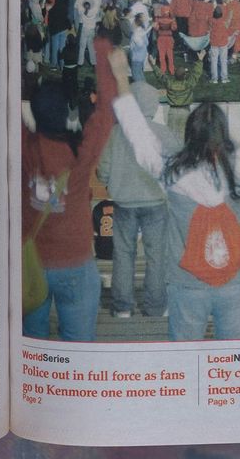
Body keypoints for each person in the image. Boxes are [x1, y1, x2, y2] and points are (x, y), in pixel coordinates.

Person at [107, 39, 240, 341]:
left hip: (187, 282)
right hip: (235, 280)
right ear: (223, 134)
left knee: (184, 359)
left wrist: (121, 77)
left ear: (190, 133)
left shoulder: (173, 173)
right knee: (234, 359)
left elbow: (138, 133)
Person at [22, 37, 115, 341]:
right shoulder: (80, 157)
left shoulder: (23, 148)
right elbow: (104, 114)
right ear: (68, 114)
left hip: (31, 262)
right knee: (78, 345)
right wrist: (102, 52)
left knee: (31, 341)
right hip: (75, 263)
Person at [97, 80, 178, 318]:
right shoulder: (163, 134)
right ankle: (155, 306)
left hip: (123, 203)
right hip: (155, 202)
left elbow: (103, 169)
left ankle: (122, 306)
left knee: (123, 254)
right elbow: (179, 164)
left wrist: (111, 182)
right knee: (157, 256)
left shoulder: (115, 133)